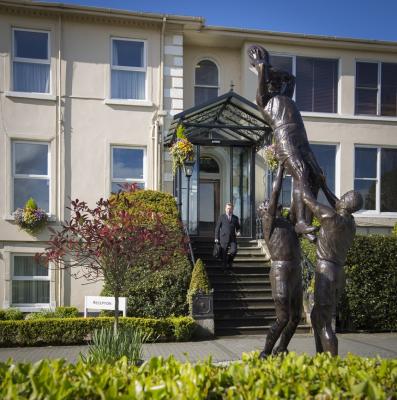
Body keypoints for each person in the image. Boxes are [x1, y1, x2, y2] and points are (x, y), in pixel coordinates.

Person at [248, 44, 337, 239]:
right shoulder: (264, 100)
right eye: (274, 82)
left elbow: (291, 78)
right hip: (285, 137)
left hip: (301, 137)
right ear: (268, 84)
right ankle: (301, 223)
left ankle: (303, 218)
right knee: (301, 173)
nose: (279, 84)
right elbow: (262, 72)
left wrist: (273, 70)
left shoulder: (285, 97)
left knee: (316, 175)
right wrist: (262, 64)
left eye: (279, 82)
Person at [302, 190, 363, 356]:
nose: (340, 197)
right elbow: (339, 205)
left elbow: (306, 198)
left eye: (344, 196)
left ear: (345, 201)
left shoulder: (330, 216)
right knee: (316, 316)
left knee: (324, 323)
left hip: (326, 271)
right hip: (338, 272)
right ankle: (320, 357)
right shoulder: (351, 223)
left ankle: (331, 366)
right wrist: (322, 185)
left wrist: (302, 177)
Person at [257, 165, 302, 357]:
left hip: (295, 270)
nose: (272, 204)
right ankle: (265, 352)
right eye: (267, 204)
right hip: (280, 270)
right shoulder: (269, 222)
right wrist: (281, 169)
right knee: (283, 318)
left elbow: (295, 201)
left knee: (296, 318)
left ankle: (281, 348)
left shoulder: (288, 222)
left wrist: (298, 178)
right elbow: (275, 192)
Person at [215, 203, 240, 272]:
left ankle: (229, 261)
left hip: (232, 238)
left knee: (234, 251)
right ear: (225, 209)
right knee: (224, 253)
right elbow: (217, 228)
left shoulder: (235, 218)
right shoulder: (221, 217)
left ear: (232, 209)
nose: (229, 210)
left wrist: (238, 232)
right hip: (223, 238)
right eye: (228, 208)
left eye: (230, 208)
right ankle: (224, 269)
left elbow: (238, 228)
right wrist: (216, 238)